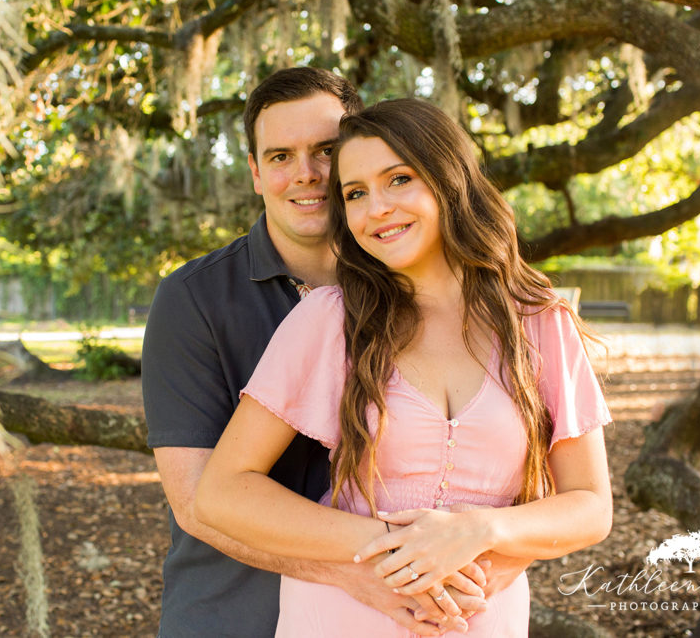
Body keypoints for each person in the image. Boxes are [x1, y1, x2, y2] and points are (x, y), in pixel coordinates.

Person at [195, 98, 614, 636]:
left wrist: (479, 530)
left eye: (398, 179)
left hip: (482, 620)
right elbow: (223, 491)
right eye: (355, 194)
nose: (377, 208)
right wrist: (388, 546)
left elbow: (591, 507)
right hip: (344, 613)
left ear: (449, 179)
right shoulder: (330, 321)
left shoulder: (539, 323)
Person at [143, 71, 507, 637]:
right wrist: (350, 572)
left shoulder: (430, 298)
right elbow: (197, 502)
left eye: (326, 151)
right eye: (281, 156)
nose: (307, 174)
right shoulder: (193, 298)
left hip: (390, 617)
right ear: (256, 173)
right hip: (232, 614)